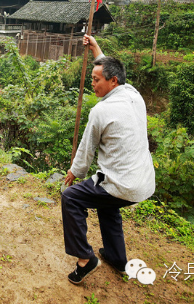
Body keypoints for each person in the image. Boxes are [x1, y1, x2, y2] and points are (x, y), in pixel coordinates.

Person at [61, 34, 156, 285]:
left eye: (96, 80)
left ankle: (85, 259)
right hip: (144, 182)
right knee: (107, 203)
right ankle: (116, 257)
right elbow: (110, 68)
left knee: (71, 198)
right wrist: (95, 48)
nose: (93, 84)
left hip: (122, 183)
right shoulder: (134, 94)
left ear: (112, 82)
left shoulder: (101, 110)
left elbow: (86, 149)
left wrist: (74, 172)